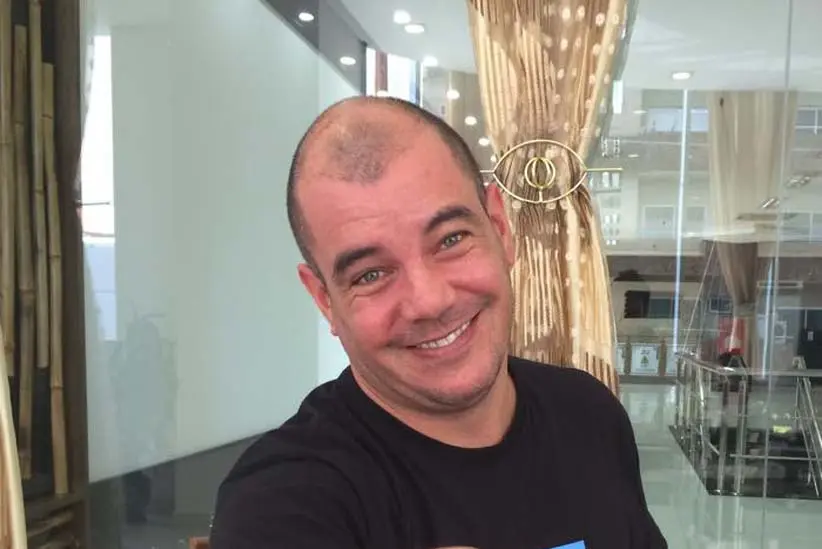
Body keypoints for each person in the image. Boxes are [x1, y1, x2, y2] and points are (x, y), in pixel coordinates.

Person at [210, 96, 667, 549]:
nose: (428, 301)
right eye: (370, 274)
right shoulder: (281, 503)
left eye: (451, 240)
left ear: (500, 229)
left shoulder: (588, 413)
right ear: (325, 300)